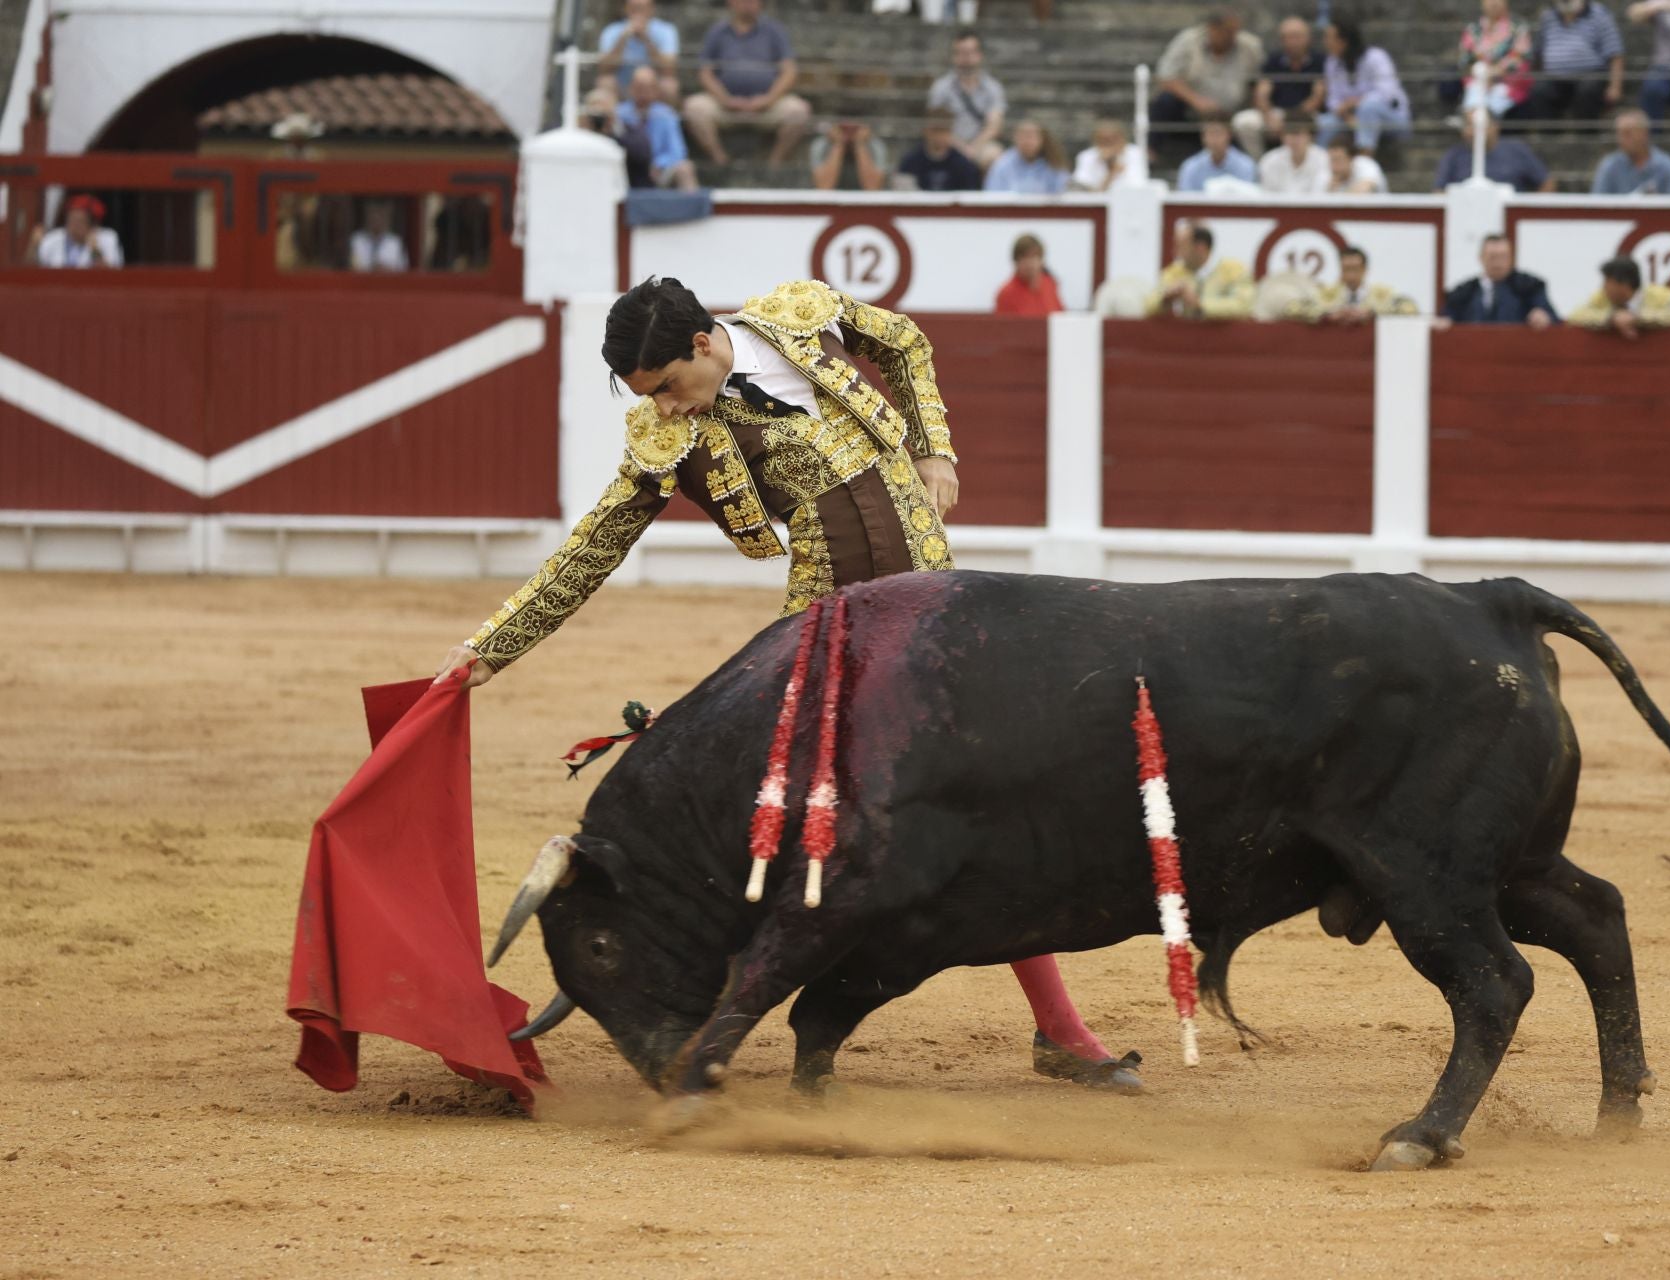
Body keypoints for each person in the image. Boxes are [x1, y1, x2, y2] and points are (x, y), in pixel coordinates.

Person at [432, 278, 1144, 1095]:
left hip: (938, 617)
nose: (664, 408)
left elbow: (904, 342)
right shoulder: (670, 436)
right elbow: (595, 547)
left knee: (981, 807)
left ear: (703, 343)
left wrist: (934, 445)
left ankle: (1058, 1031)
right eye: (648, 397)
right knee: (798, 826)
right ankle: (695, 1009)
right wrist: (490, 649)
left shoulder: (796, 318)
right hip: (829, 636)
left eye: (666, 387)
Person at [682, 0, 812, 169]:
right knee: (693, 108)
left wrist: (768, 100)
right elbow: (705, 72)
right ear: (731, 3)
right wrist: (725, 100)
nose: (748, 4)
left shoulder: (774, 31)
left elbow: (789, 72)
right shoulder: (717, 32)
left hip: (767, 106)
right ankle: (721, 163)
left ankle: (774, 165)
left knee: (799, 111)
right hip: (724, 106)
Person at [1147, 11, 1266, 162]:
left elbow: (1262, 79)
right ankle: (1150, 154)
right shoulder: (1189, 41)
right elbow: (1165, 76)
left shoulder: (1250, 46)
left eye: (1235, 31)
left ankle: (1253, 167)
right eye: (1227, 31)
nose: (1232, 37)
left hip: (1232, 115)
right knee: (1164, 101)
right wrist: (1197, 101)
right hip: (1192, 111)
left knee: (1247, 122)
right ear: (1212, 29)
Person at [1233, 16, 1326, 158]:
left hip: (1307, 115)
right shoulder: (1273, 60)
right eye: (1288, 37)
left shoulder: (1320, 61)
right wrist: (1269, 117)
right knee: (1244, 122)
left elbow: (1318, 95)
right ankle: (1259, 163)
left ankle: (1315, 163)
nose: (1293, 42)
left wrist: (1294, 119)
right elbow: (1262, 93)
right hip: (1277, 113)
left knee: (1329, 124)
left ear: (1308, 38)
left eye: (1297, 36)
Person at [1317, 16, 1410, 154]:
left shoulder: (1376, 57)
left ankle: (1364, 159)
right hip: (1349, 119)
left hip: (1392, 120)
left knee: (1369, 108)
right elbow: (1333, 100)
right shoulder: (1332, 63)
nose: (1325, 42)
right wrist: (1346, 116)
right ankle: (1321, 164)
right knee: (1324, 123)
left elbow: (1386, 92)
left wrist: (1355, 103)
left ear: (1344, 41)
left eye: (1329, 38)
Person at [927, 30, 1008, 169]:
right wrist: (961, 148)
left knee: (996, 156)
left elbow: (994, 125)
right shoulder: (941, 87)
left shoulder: (993, 88)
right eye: (961, 52)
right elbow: (937, 124)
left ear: (979, 55)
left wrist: (973, 148)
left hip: (981, 144)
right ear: (954, 56)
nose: (966, 58)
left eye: (970, 52)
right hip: (948, 143)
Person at [1533, 0, 1626, 119]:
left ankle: (1586, 135)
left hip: (1590, 76)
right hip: (1555, 79)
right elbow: (1538, 53)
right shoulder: (1548, 17)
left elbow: (1615, 53)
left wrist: (1615, 87)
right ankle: (1549, 136)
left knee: (1588, 90)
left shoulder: (1599, 14)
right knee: (1539, 91)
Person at [1441, 233, 1557, 327]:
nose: (1498, 263)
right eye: (1492, 257)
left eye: (1503, 257)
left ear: (1511, 258)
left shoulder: (1530, 286)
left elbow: (1553, 318)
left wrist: (1543, 316)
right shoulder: (1464, 292)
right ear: (1481, 257)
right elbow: (1447, 318)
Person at [1147, 220, 1254, 318]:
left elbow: (1244, 306)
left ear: (1200, 247)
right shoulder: (1174, 272)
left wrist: (1199, 304)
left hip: (1225, 337)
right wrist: (1165, 299)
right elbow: (1148, 305)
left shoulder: (1234, 269)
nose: (1176, 252)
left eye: (1181, 246)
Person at [1282, 246, 1418, 323]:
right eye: (1347, 269)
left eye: (1355, 269)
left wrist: (1373, 314)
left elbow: (1410, 308)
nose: (1351, 275)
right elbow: (1292, 308)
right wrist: (1328, 315)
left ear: (1365, 270)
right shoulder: (1327, 294)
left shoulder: (1381, 294)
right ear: (1340, 270)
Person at [1567, 256, 1670, 336]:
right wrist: (1611, 318)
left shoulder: (1659, 296)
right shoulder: (1602, 297)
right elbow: (1574, 316)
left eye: (1607, 282)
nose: (1604, 287)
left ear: (1624, 285)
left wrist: (1639, 318)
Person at [1450, 0, 1534, 120]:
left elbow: (1520, 60)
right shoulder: (1473, 29)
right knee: (1474, 111)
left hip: (1508, 85)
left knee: (1486, 115)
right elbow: (1465, 60)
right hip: (1478, 82)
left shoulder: (1518, 27)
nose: (1494, 3)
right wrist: (1482, 75)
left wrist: (1493, 74)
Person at [620, 66, 700, 190]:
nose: (643, 92)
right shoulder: (619, 114)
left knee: (685, 168)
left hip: (660, 171)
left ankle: (693, 208)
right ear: (631, 88)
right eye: (639, 87)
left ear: (656, 90)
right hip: (627, 171)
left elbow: (678, 151)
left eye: (648, 87)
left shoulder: (667, 115)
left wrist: (659, 164)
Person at [1433, 115, 1557, 189]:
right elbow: (1439, 191)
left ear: (1494, 127)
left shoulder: (1516, 150)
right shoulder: (1454, 155)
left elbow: (1547, 182)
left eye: (1476, 125)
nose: (1470, 131)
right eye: (1467, 125)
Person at [597, 0, 681, 105]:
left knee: (669, 85)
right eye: (634, 8)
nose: (638, 13)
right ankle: (612, 120)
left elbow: (669, 70)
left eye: (642, 8)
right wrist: (623, 38)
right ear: (625, 9)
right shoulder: (611, 30)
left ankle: (667, 120)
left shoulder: (667, 30)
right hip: (622, 85)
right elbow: (604, 70)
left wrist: (646, 39)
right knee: (605, 82)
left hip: (654, 85)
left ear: (652, 9)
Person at [1592, 107, 1670, 192]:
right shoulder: (1609, 166)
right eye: (1619, 134)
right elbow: (1597, 203)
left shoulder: (1666, 166)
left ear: (1644, 133)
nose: (1621, 140)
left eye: (1627, 134)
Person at [897, 107, 984, 191]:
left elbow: (970, 194)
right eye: (935, 130)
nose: (939, 136)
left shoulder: (964, 164)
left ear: (951, 132)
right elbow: (905, 195)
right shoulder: (910, 161)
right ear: (925, 131)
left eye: (944, 131)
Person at [33, 195, 123, 269]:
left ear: (92, 225)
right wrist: (34, 246)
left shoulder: (108, 238)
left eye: (79, 221)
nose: (73, 226)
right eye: (71, 220)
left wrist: (95, 250)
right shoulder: (53, 238)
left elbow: (111, 274)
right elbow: (33, 268)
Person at [984, 120, 1070, 194]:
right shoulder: (1002, 164)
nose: (1027, 142)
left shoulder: (1054, 163)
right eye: (1023, 137)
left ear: (1042, 139)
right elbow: (992, 194)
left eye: (1031, 137)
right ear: (1015, 139)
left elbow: (1063, 192)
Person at [1176, 117, 1258, 190]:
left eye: (1218, 133)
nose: (1214, 139)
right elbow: (1184, 198)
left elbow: (1249, 200)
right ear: (1203, 137)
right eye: (1210, 134)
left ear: (1229, 135)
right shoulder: (1190, 166)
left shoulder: (1246, 165)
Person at [994, 233, 1065, 315]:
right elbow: (1002, 326)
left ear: (1041, 260)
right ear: (1016, 262)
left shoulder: (1050, 284)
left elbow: (1061, 318)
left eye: (1034, 257)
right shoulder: (1006, 294)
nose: (1030, 263)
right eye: (1024, 258)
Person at [1069, 118, 1148, 191]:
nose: (1108, 143)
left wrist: (1113, 165)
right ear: (1095, 140)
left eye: (1112, 139)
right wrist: (1111, 173)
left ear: (1122, 138)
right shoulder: (1086, 156)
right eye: (1103, 140)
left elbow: (1137, 185)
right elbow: (1081, 187)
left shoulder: (1135, 153)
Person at [1257, 116, 1331, 193]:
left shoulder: (1324, 158)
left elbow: (1321, 192)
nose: (1293, 139)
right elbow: (1267, 194)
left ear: (1310, 136)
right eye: (1288, 133)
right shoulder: (1270, 160)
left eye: (1297, 134)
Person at [811, 122, 887, 191]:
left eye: (854, 127)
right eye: (845, 127)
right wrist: (838, 144)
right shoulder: (822, 145)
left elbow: (872, 188)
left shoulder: (874, 146)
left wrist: (859, 144)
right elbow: (824, 187)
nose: (849, 129)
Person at [349, 201, 407, 273]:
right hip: (361, 283)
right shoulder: (357, 239)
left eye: (381, 214)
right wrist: (372, 269)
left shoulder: (395, 242)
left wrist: (385, 270)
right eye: (373, 213)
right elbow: (353, 268)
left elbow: (403, 271)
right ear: (367, 216)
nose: (377, 217)